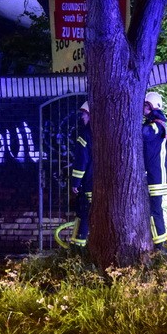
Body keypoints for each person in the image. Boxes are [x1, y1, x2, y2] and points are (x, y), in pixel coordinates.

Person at [142, 91, 167, 249]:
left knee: (155, 212)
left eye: (146, 106)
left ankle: (160, 248)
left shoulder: (156, 126)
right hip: (154, 176)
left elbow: (142, 134)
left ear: (153, 107)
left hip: (155, 178)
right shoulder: (157, 124)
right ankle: (159, 246)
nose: (143, 109)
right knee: (154, 211)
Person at [70, 101, 93, 246]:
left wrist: (75, 183)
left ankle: (78, 248)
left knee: (84, 215)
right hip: (102, 185)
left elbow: (81, 161)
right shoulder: (104, 134)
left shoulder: (85, 135)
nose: (82, 117)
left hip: (88, 183)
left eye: (84, 114)